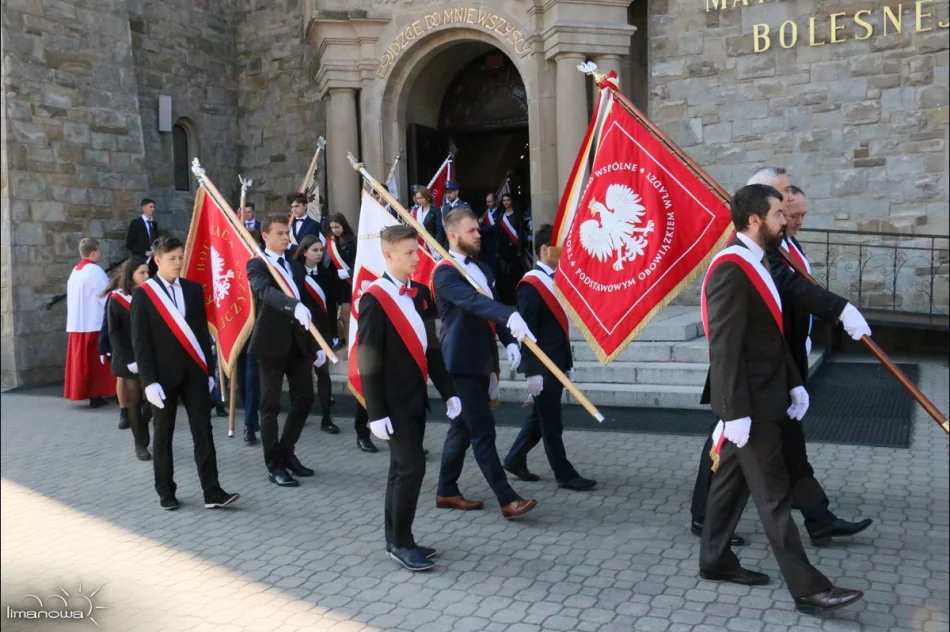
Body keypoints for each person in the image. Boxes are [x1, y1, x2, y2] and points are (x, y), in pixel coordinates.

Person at [698, 184, 863, 615]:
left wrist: (794, 381)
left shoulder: (759, 261)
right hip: (750, 406)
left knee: (729, 488)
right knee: (773, 499)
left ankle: (714, 560)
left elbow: (770, 334)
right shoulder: (731, 268)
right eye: (777, 214)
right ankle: (808, 589)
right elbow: (726, 347)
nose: (784, 221)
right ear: (755, 220)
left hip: (768, 393)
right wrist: (732, 412)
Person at [358, 225, 461, 571]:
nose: (417, 258)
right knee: (412, 469)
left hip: (416, 398)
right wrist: (375, 411)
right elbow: (367, 356)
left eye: (417, 251)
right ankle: (399, 543)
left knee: (401, 470)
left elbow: (430, 348)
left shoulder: (420, 293)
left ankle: (400, 538)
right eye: (408, 253)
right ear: (388, 255)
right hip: (390, 404)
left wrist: (448, 392)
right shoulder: (375, 298)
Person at [434, 207, 538, 519]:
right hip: (460, 364)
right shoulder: (445, 273)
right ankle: (507, 499)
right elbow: (473, 302)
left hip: (482, 360)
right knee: (482, 431)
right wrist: (510, 314)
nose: (479, 235)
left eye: (478, 230)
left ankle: (446, 490)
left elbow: (492, 308)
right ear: (453, 236)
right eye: (471, 231)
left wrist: (509, 341)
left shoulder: (484, 269)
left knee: (461, 430)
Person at [131, 235, 239, 511]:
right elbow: (140, 342)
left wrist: (210, 370)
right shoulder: (144, 294)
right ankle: (166, 490)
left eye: (180, 257)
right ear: (157, 261)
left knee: (203, 431)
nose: (178, 263)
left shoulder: (193, 289)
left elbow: (203, 334)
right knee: (163, 435)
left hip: (195, 373)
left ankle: (212, 490)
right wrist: (149, 382)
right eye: (172, 259)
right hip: (162, 378)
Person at [503, 225, 596, 491]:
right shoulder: (531, 286)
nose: (567, 252)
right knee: (551, 422)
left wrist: (568, 362)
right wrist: (531, 372)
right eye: (561, 247)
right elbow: (527, 334)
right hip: (542, 366)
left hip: (556, 360)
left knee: (540, 418)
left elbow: (559, 327)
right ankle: (564, 474)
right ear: (545, 250)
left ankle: (514, 458)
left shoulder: (555, 279)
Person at [246, 215, 320, 488]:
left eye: (287, 232)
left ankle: (286, 453)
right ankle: (273, 464)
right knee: (270, 406)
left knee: (304, 399)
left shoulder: (294, 266)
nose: (286, 237)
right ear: (265, 236)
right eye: (279, 233)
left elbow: (308, 304)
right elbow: (264, 292)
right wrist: (292, 305)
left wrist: (316, 344)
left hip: (299, 343)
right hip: (271, 343)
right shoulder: (257, 265)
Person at [104, 256, 152, 458]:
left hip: (149, 354)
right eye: (141, 273)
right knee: (134, 400)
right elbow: (114, 332)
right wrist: (130, 359)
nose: (146, 276)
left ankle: (141, 424)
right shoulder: (116, 299)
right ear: (131, 275)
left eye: (148, 272)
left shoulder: (150, 294)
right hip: (128, 357)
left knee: (152, 401)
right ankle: (139, 443)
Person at [294, 234, 340, 435]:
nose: (319, 254)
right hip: (301, 332)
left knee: (324, 374)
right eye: (315, 250)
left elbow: (331, 305)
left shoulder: (327, 274)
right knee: (301, 377)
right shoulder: (294, 273)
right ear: (304, 252)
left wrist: (333, 333)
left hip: (322, 330)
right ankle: (300, 415)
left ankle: (327, 417)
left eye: (321, 250)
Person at [64, 237, 114, 407]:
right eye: (98, 251)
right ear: (93, 253)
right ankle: (100, 392)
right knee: (98, 362)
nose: (100, 254)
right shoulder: (94, 270)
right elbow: (104, 295)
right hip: (94, 321)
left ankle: (86, 392)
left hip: (78, 323)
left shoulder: (75, 271)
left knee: (83, 363)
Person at [327, 212, 357, 345]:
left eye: (337, 227)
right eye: (332, 228)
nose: (335, 230)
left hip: (349, 281)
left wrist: (349, 272)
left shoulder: (353, 241)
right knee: (339, 317)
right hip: (336, 282)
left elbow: (361, 262)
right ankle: (342, 339)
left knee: (346, 315)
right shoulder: (331, 242)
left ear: (343, 225)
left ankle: (351, 343)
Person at [496, 192, 525, 305]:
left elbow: (521, 233)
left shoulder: (517, 215)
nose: (506, 202)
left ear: (511, 201)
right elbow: (498, 234)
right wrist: (498, 249)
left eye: (507, 200)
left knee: (515, 274)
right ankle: (506, 298)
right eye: (504, 201)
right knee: (504, 275)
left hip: (514, 248)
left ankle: (515, 298)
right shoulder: (500, 216)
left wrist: (520, 250)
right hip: (503, 248)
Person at [435, 181, 471, 250]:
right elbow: (441, 228)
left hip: (460, 244)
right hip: (447, 245)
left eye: (450, 192)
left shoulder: (464, 207)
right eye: (446, 193)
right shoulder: (444, 208)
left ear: (456, 192)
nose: (448, 195)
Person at [477, 192, 500, 277]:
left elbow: (495, 227)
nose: (488, 204)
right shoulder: (486, 213)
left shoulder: (499, 213)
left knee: (494, 270)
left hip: (494, 245)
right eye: (487, 202)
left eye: (490, 201)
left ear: (495, 201)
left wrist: (480, 229)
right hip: (484, 246)